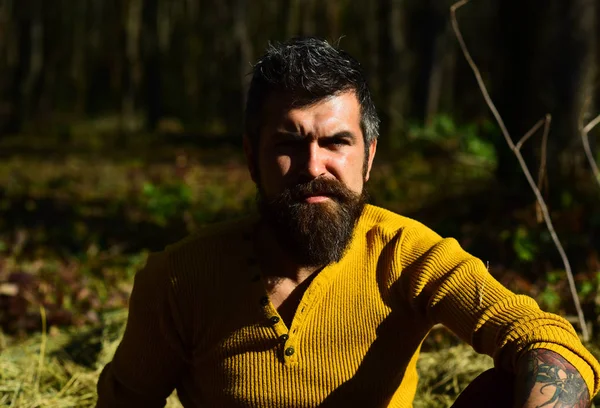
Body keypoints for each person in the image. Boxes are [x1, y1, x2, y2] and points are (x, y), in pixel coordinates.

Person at [96, 36, 600, 408]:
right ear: (253, 158)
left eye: (336, 142)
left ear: (369, 156)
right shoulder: (181, 277)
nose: (314, 167)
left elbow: (549, 341)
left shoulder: (407, 254)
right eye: (288, 145)